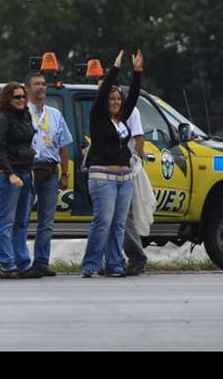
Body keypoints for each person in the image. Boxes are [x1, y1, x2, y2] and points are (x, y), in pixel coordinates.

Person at [81, 49, 143, 278]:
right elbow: (102, 94)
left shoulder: (122, 120)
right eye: (112, 99)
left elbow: (134, 96)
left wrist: (137, 71)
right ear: (105, 102)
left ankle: (115, 264)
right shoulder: (98, 118)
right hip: (102, 177)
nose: (116, 102)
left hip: (124, 178)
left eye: (118, 99)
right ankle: (91, 264)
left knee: (118, 224)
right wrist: (115, 69)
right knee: (103, 222)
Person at [97, 74, 149, 276]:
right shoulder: (98, 112)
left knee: (123, 217)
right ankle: (109, 259)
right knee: (103, 218)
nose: (103, 93)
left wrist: (133, 161)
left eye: (108, 89)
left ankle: (136, 257)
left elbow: (139, 139)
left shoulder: (129, 111)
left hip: (125, 169)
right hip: (102, 171)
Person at [24, 73, 74, 277]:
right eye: (36, 84)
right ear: (27, 88)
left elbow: (63, 146)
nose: (41, 87)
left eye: (43, 84)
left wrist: (65, 173)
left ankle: (41, 263)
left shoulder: (55, 114)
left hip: (50, 171)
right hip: (28, 171)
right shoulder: (22, 112)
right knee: (22, 218)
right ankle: (21, 262)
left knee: (46, 221)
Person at [0, 82, 37, 279]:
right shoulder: (2, 120)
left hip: (26, 172)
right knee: (6, 222)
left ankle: (22, 263)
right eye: (16, 97)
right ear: (8, 100)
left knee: (22, 222)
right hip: (9, 175)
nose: (20, 100)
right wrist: (10, 173)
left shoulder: (26, 115)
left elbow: (28, 144)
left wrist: (29, 170)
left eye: (22, 97)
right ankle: (7, 265)